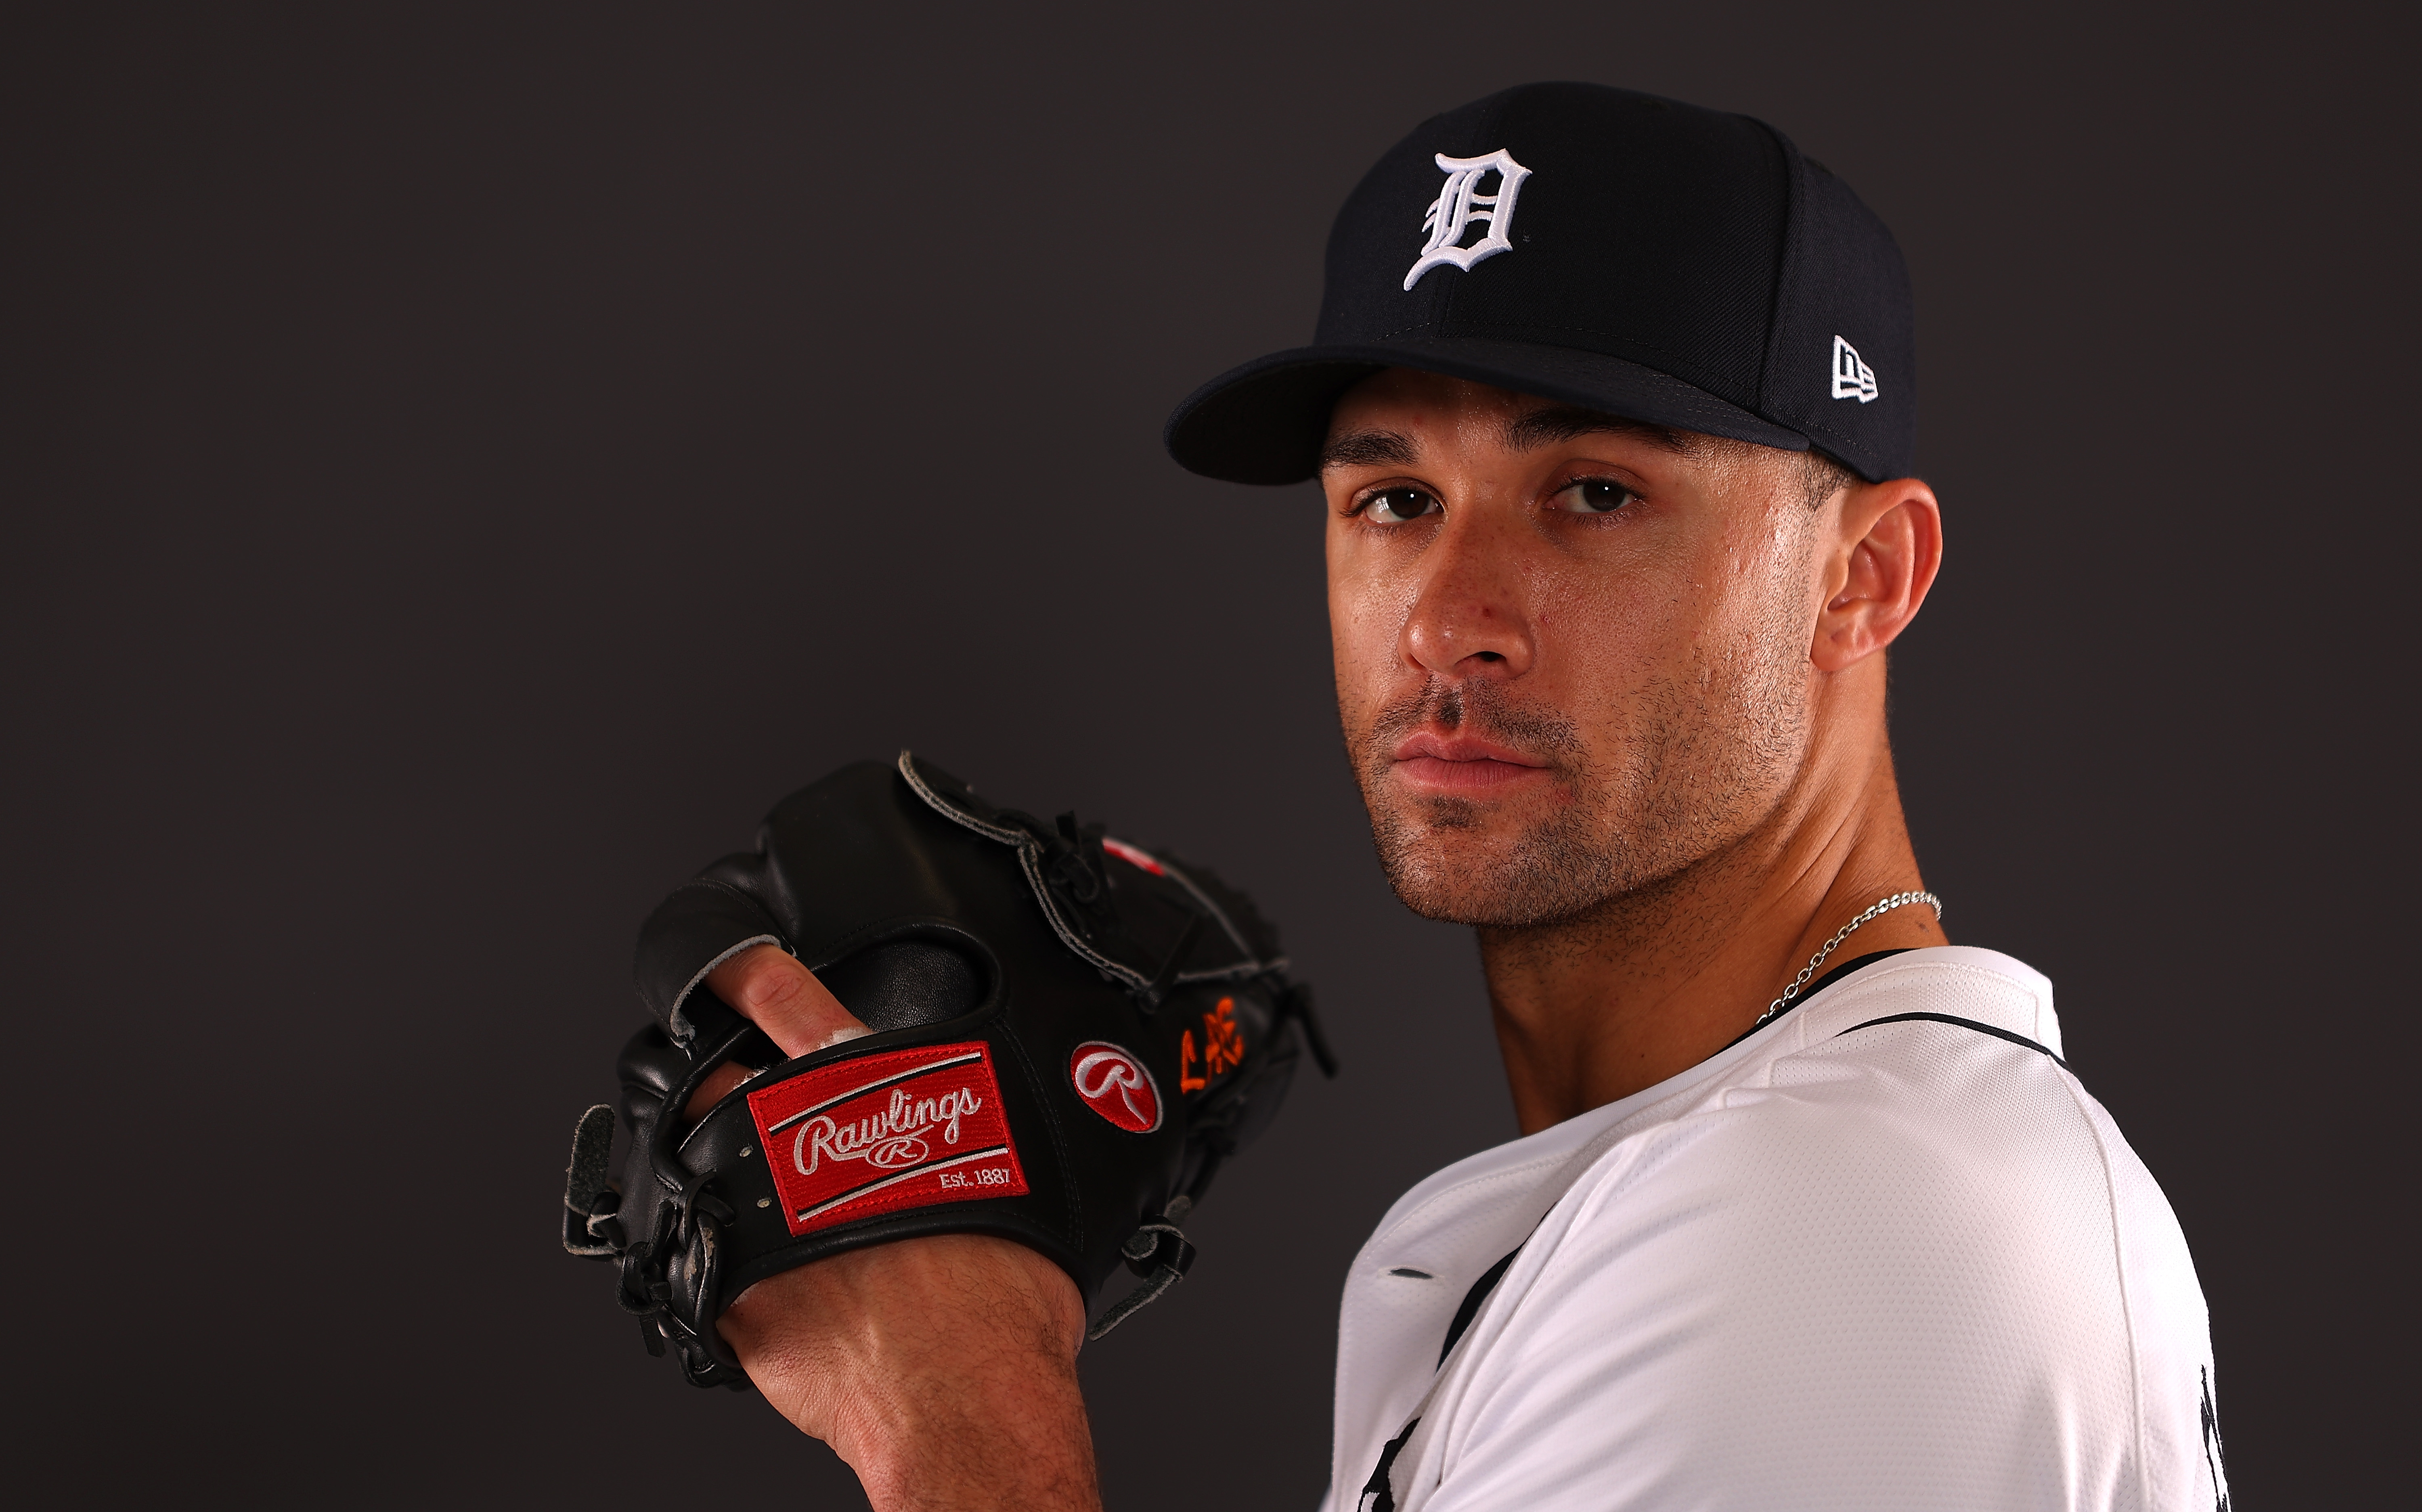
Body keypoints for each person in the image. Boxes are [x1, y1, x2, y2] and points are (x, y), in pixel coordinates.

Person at [679, 83, 2227, 1510]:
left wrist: (964, 1404)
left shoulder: (1841, 1234)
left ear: (1860, 578)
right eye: (1397, 500)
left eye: (1597, 493)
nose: (1445, 618)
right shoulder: (1744, 1175)